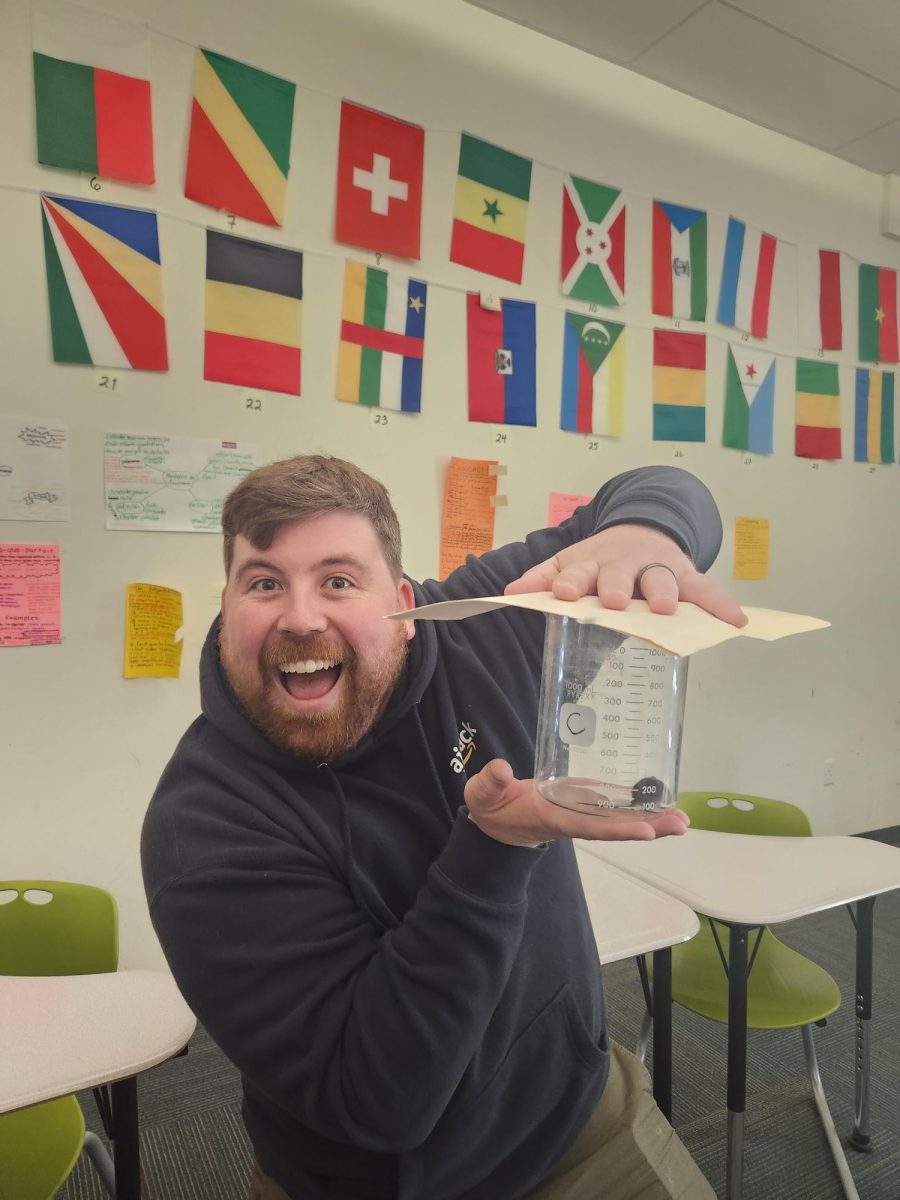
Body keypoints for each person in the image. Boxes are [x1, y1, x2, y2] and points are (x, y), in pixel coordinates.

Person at [141, 455, 745, 1200]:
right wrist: (492, 848)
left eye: (337, 579)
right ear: (228, 605)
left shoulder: (479, 627)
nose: (300, 616)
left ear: (401, 601)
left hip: (584, 1124)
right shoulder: (204, 827)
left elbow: (666, 486)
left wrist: (645, 530)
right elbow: (378, 1097)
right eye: (264, 582)